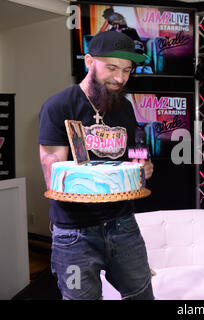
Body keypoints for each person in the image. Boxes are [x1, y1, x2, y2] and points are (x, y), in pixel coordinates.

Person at [38, 31, 154, 300]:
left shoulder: (124, 107)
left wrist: (143, 168)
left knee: (142, 295)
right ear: (89, 61)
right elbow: (52, 176)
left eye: (127, 70)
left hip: (123, 226)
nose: (120, 78)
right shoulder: (58, 106)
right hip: (74, 234)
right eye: (112, 68)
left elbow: (137, 155)